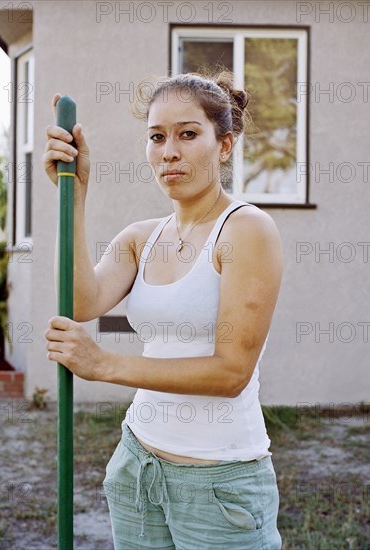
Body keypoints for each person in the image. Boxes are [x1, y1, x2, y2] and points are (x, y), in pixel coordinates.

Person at [43, 70, 284, 549]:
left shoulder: (245, 230)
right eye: (157, 137)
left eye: (188, 134)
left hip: (218, 484)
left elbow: (230, 372)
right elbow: (78, 302)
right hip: (137, 465)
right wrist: (75, 190)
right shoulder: (141, 237)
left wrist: (105, 364)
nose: (168, 151)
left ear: (225, 145)